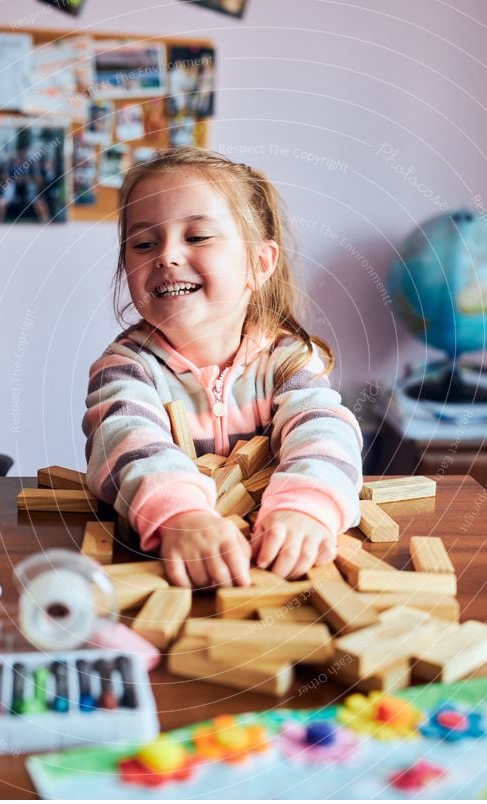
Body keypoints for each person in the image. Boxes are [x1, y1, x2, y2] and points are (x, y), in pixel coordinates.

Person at [83, 147, 363, 588]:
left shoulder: (289, 360)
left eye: (196, 237)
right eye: (143, 243)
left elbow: (324, 430)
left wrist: (305, 507)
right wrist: (183, 517)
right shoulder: (125, 368)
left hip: (273, 572)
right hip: (169, 567)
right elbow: (125, 440)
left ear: (259, 263)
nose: (167, 256)